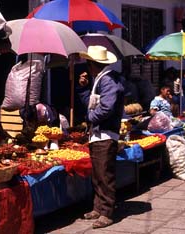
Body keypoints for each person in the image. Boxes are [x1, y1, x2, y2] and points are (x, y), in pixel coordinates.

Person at [78, 45, 125, 229]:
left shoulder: (108, 81)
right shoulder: (99, 80)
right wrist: (83, 89)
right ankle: (98, 207)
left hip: (105, 134)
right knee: (97, 174)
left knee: (104, 174)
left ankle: (106, 212)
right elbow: (90, 103)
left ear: (92, 64)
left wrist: (89, 118)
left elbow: (106, 107)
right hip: (97, 135)